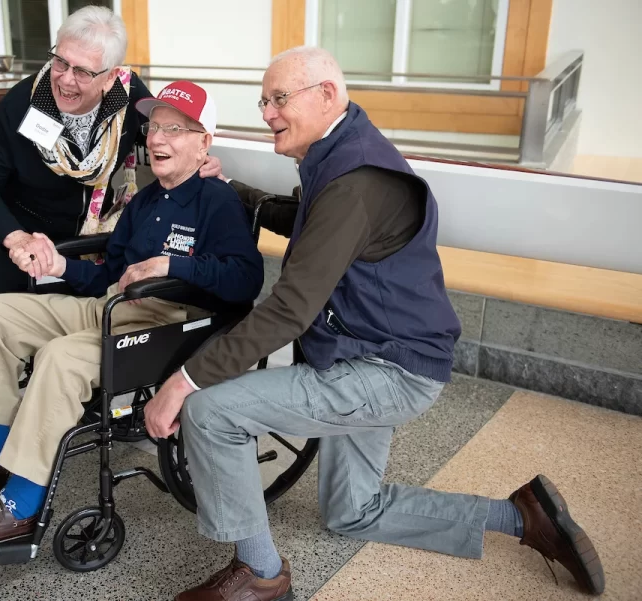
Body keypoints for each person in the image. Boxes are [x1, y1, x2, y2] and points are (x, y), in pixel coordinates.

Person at [144, 47, 605, 601]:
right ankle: (523, 518)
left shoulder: (354, 180)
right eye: (263, 99)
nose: (266, 112)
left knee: (211, 409)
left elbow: (291, 309)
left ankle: (262, 576)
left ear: (327, 95)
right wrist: (244, 197)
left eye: (279, 98)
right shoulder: (341, 152)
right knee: (352, 513)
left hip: (386, 369)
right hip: (381, 352)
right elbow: (319, 225)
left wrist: (184, 380)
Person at [0, 81, 265, 552]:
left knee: (60, 357)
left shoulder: (216, 201)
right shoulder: (144, 201)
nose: (157, 139)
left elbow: (246, 281)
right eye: (154, 127)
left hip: (174, 322)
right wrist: (61, 267)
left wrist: (170, 265)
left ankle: (21, 505)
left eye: (175, 129)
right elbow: (108, 279)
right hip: (114, 306)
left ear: (204, 143)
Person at [0, 5, 213, 440]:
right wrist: (15, 237)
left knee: (80, 343)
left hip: (93, 238)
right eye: (61, 62)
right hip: (25, 234)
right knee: (0, 332)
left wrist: (201, 159)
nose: (66, 79)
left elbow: (170, 136)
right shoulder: (25, 101)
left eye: (83, 71)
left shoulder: (128, 98)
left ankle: (56, 430)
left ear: (112, 75)